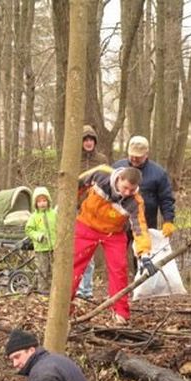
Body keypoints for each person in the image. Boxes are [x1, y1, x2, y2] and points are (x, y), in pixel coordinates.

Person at [72, 165, 156, 325]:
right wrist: (69, 206)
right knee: (74, 265)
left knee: (119, 270)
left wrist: (144, 254)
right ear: (119, 179)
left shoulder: (135, 201)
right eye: (125, 188)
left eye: (132, 190)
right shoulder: (100, 174)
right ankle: (64, 307)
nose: (126, 193)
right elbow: (75, 184)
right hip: (87, 224)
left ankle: (120, 313)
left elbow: (140, 228)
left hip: (114, 234)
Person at [113, 135, 176, 236]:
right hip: (118, 223)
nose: (134, 158)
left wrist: (168, 220)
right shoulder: (117, 168)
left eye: (138, 156)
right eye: (132, 155)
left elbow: (166, 199)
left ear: (146, 154)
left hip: (146, 224)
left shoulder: (158, 173)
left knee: (144, 250)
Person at [78, 126, 110, 301]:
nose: (88, 142)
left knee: (90, 251)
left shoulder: (102, 160)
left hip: (97, 209)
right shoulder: (74, 159)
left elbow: (108, 182)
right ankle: (78, 289)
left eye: (91, 139)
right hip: (79, 209)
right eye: (85, 139)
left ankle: (87, 290)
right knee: (79, 252)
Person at [24, 187, 56, 293]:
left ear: (48, 201)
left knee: (53, 270)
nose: (42, 203)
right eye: (39, 201)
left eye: (44, 200)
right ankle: (42, 291)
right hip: (41, 248)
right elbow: (29, 229)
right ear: (35, 203)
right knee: (43, 270)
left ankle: (52, 291)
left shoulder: (54, 214)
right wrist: (38, 236)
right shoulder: (34, 217)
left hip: (54, 247)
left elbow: (59, 227)